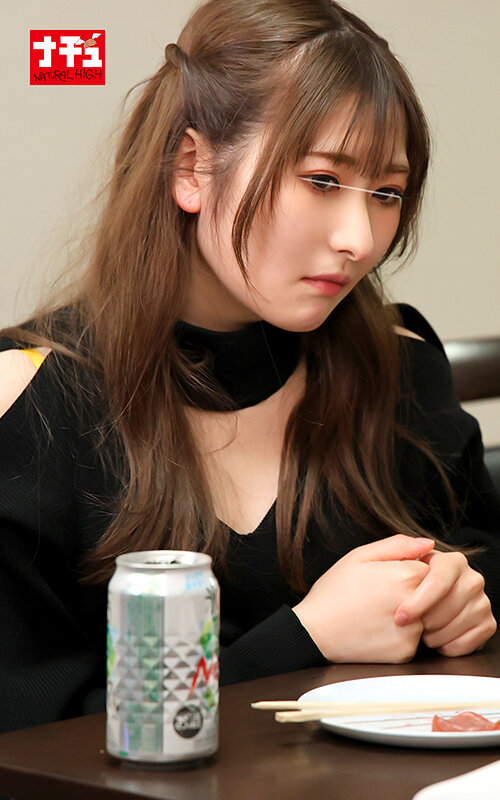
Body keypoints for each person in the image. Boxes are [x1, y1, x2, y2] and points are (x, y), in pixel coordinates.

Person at [1, 0, 499, 735]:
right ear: (193, 168)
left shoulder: (399, 367)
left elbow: (480, 574)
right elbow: (32, 735)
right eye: (322, 180)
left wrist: (469, 597)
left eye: (386, 194)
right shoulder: (31, 403)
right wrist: (304, 638)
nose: (360, 239)